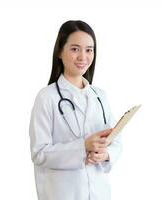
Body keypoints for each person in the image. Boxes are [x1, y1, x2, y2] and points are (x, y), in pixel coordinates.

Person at [29, 20, 122, 200]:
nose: (83, 57)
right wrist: (83, 147)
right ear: (59, 52)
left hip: (99, 193)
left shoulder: (99, 96)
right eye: (75, 49)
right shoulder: (47, 97)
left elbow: (116, 142)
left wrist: (105, 154)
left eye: (89, 49)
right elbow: (39, 153)